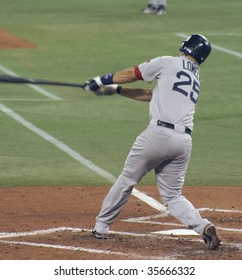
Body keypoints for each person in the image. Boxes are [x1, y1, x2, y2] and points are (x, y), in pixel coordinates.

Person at [83, 34, 221, 250]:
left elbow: (132, 73)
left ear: (187, 47)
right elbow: (151, 95)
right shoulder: (194, 78)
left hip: (157, 136)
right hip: (183, 143)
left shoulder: (168, 62)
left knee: (127, 179)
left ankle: (101, 227)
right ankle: (203, 226)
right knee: (173, 195)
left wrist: (103, 80)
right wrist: (115, 90)